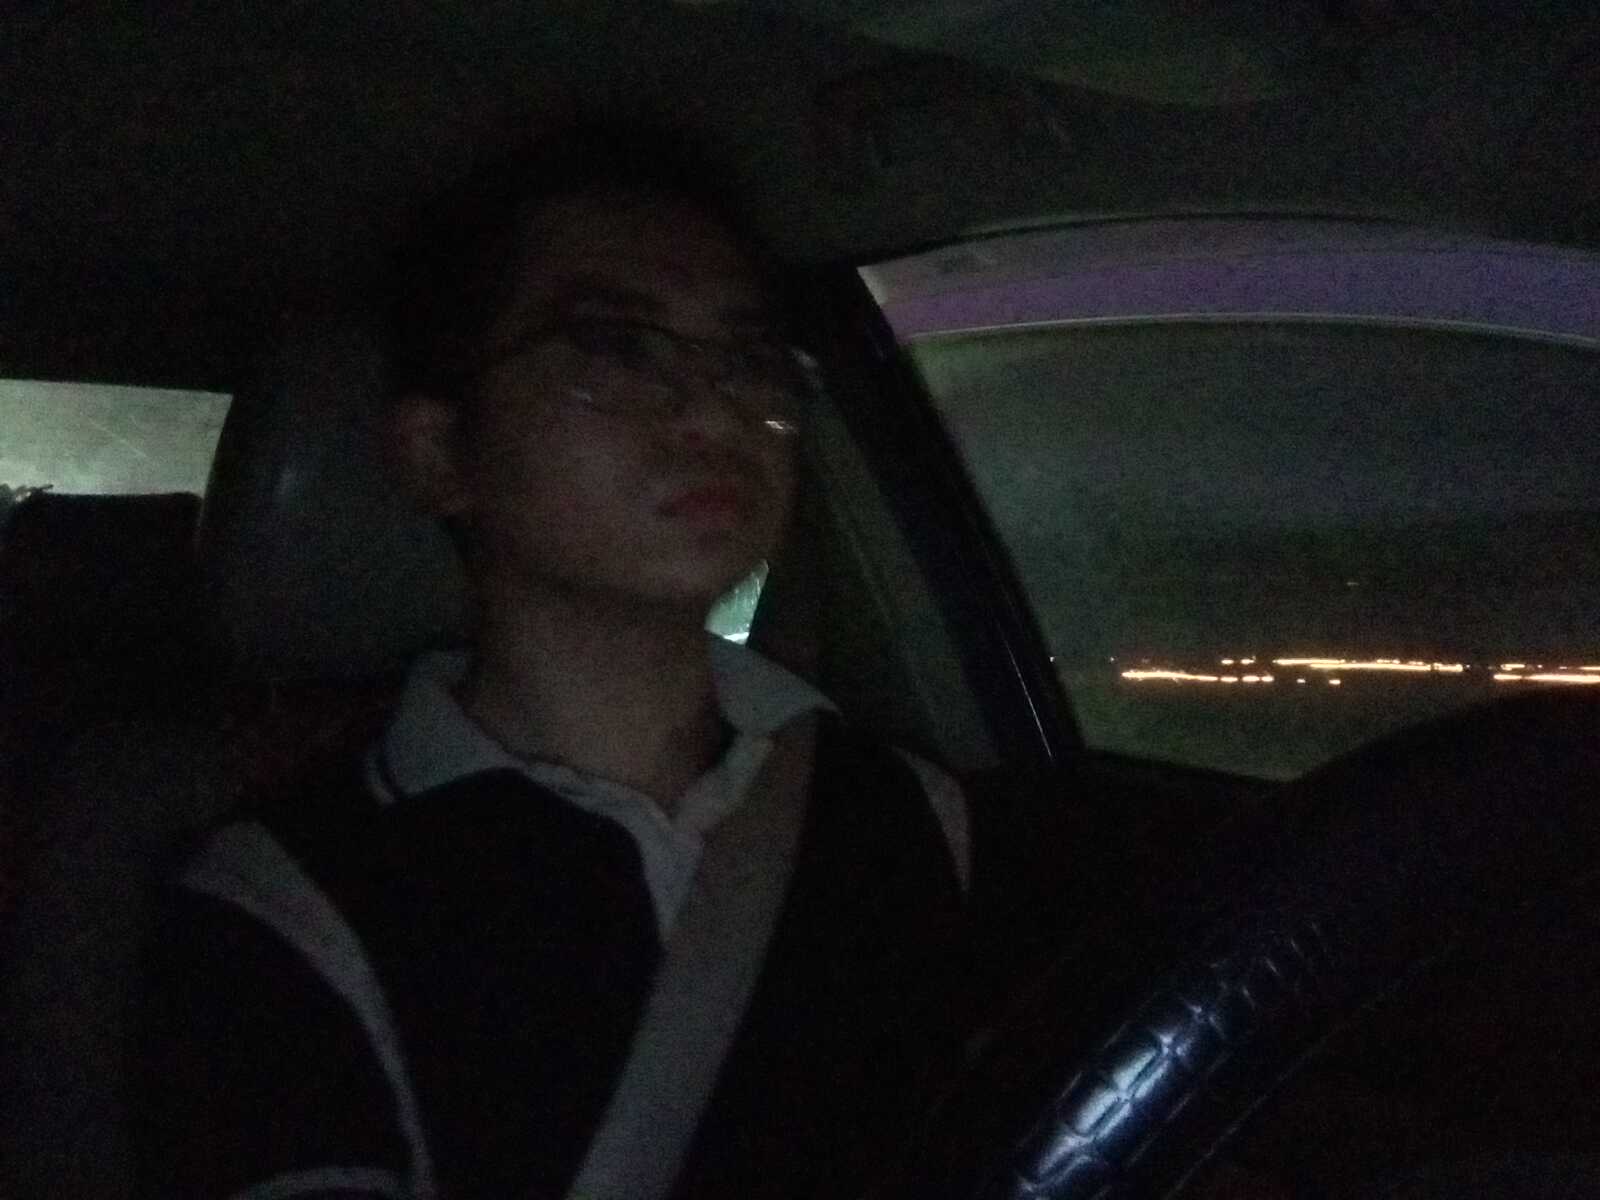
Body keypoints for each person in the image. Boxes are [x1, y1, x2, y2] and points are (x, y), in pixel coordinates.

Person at [133, 122, 973, 1200]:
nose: (712, 409)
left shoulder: (900, 807)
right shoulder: (282, 907)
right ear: (440, 453)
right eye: (611, 348)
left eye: (747, 359)